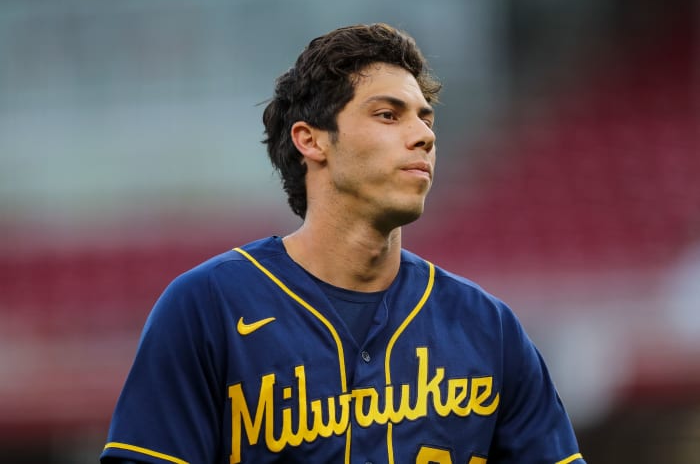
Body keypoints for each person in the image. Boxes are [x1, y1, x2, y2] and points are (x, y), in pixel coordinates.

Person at [100, 23, 585, 464]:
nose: (423, 136)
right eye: (388, 115)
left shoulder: (488, 326)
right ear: (311, 141)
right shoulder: (207, 307)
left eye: (426, 118)